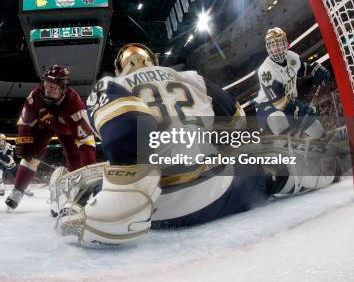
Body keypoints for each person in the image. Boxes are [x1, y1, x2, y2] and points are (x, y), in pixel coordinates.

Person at [51, 43, 337, 247]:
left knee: (98, 180)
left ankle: (70, 201)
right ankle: (324, 170)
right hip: (212, 194)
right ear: (153, 59)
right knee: (266, 168)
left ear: (120, 68)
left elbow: (123, 134)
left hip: (154, 211)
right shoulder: (190, 77)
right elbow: (236, 121)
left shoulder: (107, 86)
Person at [5, 65, 96, 210]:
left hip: (68, 131)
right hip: (44, 125)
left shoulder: (75, 105)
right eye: (46, 85)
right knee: (31, 153)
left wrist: (88, 171)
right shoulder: (35, 95)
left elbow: (86, 141)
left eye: (53, 88)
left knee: (75, 157)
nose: (47, 91)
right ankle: (17, 190)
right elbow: (26, 121)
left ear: (63, 88)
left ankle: (79, 192)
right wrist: (23, 140)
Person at [255, 27, 331, 140]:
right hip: (267, 107)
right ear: (268, 47)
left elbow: (304, 70)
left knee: (317, 131)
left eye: (279, 43)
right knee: (279, 119)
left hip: (289, 102)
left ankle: (314, 152)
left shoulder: (292, 56)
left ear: (285, 43)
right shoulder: (266, 71)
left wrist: (314, 69)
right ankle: (286, 151)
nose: (277, 48)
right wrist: (302, 110)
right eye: (273, 45)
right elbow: (279, 104)